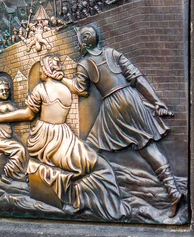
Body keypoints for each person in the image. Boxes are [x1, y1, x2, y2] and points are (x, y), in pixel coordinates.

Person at [0, 55, 129, 221]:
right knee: (96, 165)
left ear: (46, 71)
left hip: (45, 140)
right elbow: (80, 90)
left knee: (81, 166)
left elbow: (27, 114)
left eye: (42, 68)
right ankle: (103, 199)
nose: (40, 72)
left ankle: (77, 197)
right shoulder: (67, 89)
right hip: (65, 136)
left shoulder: (41, 89)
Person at [61, 25, 182, 217]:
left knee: (90, 147)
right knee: (148, 148)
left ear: (84, 43)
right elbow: (137, 78)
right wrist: (156, 101)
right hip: (132, 99)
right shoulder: (113, 53)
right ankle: (173, 192)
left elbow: (80, 89)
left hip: (113, 105)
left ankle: (81, 198)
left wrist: (63, 79)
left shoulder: (84, 64)